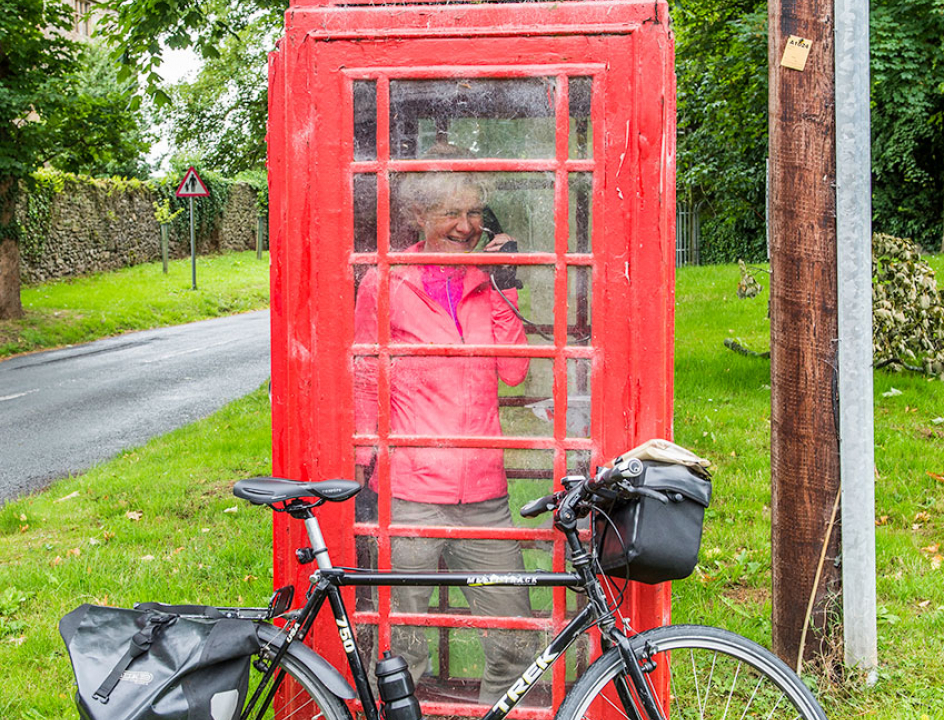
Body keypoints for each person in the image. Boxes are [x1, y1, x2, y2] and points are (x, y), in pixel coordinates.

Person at [353, 165, 537, 704]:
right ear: (419, 216)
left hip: (484, 495)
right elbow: (366, 373)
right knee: (400, 645)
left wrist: (507, 286)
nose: (466, 224)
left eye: (475, 212)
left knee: (514, 638)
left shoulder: (488, 281)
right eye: (451, 212)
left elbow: (515, 372)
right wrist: (365, 459)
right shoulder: (386, 280)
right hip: (411, 493)